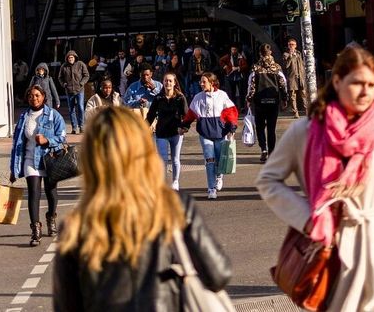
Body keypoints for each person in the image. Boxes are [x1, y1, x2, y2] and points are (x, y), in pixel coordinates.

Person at [257, 44, 374, 311]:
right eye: (357, 83)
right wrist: (308, 220)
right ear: (337, 82)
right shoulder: (305, 131)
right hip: (331, 254)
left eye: (371, 85)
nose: (365, 92)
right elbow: (268, 180)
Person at [52, 106, 233, 311]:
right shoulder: (173, 205)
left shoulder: (76, 227)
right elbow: (218, 274)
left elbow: (66, 306)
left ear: (91, 160)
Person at [9, 83, 68, 245]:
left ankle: (51, 216)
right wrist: (13, 169)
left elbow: (62, 137)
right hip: (30, 160)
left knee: (51, 193)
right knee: (33, 193)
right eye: (31, 96)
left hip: (49, 159)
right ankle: (35, 229)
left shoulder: (53, 115)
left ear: (43, 97)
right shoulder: (24, 117)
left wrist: (47, 140)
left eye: (37, 95)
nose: (34, 98)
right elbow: (16, 144)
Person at [181, 71, 238, 199]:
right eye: (200, 82)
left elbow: (231, 112)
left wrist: (232, 127)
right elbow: (191, 114)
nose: (201, 84)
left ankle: (219, 176)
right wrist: (184, 125)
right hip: (205, 134)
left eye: (204, 82)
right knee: (209, 160)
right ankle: (211, 189)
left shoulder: (222, 95)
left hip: (220, 133)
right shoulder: (198, 97)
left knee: (218, 158)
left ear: (212, 83)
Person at [246, 44, 289, 161]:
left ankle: (263, 149)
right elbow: (283, 84)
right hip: (273, 101)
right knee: (271, 128)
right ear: (270, 53)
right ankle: (272, 152)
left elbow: (251, 85)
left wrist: (249, 99)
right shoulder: (277, 67)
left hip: (259, 101)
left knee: (260, 127)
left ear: (260, 53)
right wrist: (284, 98)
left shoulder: (256, 68)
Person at [146, 72, 188, 190]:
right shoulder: (158, 98)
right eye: (166, 80)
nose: (168, 83)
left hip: (176, 132)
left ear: (174, 83)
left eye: (170, 81)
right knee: (163, 159)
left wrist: (184, 128)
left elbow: (186, 115)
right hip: (161, 132)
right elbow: (150, 115)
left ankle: (175, 181)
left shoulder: (180, 98)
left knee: (175, 159)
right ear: (163, 82)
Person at [58, 51, 90, 134]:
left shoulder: (80, 64)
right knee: (71, 109)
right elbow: (60, 77)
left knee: (80, 107)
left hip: (79, 90)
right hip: (69, 90)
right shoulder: (64, 66)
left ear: (75, 57)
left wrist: (81, 83)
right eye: (69, 58)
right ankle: (74, 127)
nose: (70, 59)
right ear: (67, 58)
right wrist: (64, 84)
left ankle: (81, 126)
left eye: (72, 57)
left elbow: (86, 75)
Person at [281, 38, 307, 117]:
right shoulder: (286, 54)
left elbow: (302, 64)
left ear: (295, 45)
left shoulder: (298, 53)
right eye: (290, 45)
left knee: (303, 94)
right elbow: (286, 66)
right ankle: (295, 112)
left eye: (293, 44)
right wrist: (291, 56)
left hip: (300, 76)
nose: (291, 46)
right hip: (292, 77)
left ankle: (307, 110)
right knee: (292, 95)